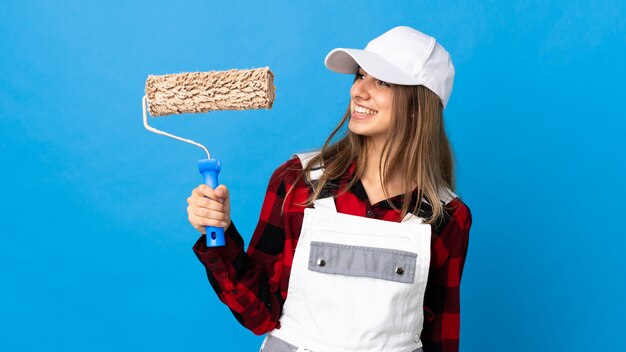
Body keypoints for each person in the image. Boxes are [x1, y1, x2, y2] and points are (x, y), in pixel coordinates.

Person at [187, 26, 472, 352]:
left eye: (381, 81)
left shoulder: (447, 216)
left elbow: (440, 339)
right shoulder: (298, 181)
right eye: (359, 77)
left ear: (417, 105)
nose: (359, 91)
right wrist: (219, 232)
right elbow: (260, 316)